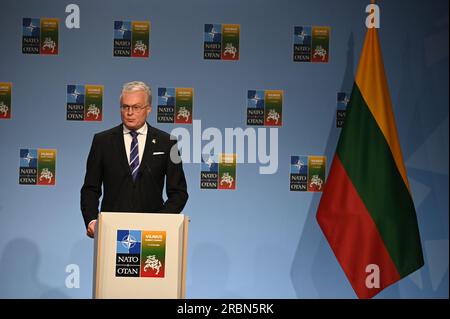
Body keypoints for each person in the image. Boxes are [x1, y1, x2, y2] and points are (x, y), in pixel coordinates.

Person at [80, 81, 188, 238]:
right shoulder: (102, 141)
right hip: (111, 232)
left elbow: (179, 193)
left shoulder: (167, 143)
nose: (129, 112)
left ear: (148, 109)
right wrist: (91, 221)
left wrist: (160, 222)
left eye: (136, 107)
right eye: (125, 107)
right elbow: (90, 189)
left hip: (152, 234)